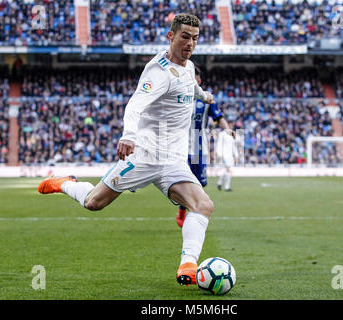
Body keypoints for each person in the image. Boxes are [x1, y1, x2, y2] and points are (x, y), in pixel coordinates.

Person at [38, 14, 214, 286]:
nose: (190, 43)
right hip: (144, 156)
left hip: (173, 160)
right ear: (170, 36)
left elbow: (189, 85)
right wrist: (129, 135)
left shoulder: (188, 66)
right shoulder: (159, 73)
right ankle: (64, 184)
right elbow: (134, 105)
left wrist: (204, 96)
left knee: (203, 205)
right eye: (184, 37)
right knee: (94, 203)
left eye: (194, 38)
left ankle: (188, 266)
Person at [176, 66, 233, 228]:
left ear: (198, 80)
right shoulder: (178, 95)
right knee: (182, 179)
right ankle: (183, 211)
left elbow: (218, 117)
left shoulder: (206, 99)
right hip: (179, 146)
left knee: (200, 183)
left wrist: (227, 129)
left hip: (199, 147)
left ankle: (188, 207)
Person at [216, 123, 239, 191]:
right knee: (228, 170)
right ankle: (227, 187)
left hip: (230, 156)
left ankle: (219, 182)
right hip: (224, 155)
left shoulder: (232, 134)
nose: (231, 126)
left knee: (226, 170)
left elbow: (234, 146)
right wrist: (219, 155)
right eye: (230, 125)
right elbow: (219, 145)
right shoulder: (222, 134)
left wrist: (236, 155)